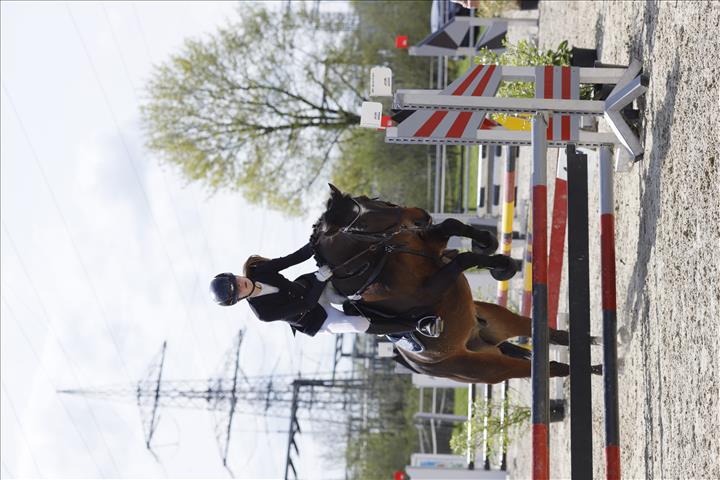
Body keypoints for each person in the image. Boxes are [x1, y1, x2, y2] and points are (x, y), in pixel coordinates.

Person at [209, 243, 443, 338]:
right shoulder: (263, 313)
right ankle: (417, 325)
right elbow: (306, 305)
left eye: (236, 280)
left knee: (347, 271)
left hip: (310, 286)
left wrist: (318, 240)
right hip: (316, 318)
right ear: (238, 299)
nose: (241, 284)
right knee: (358, 324)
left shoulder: (259, 271)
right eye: (237, 290)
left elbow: (294, 258)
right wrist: (321, 279)